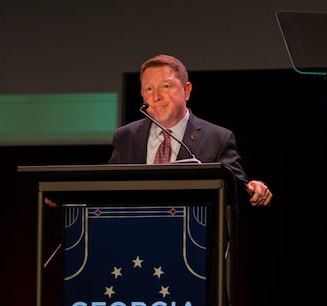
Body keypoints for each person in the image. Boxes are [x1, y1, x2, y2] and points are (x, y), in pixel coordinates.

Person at [108, 53, 272, 207]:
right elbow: (109, 190)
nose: (156, 97)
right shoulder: (125, 137)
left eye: (166, 86)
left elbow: (236, 193)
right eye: (149, 89)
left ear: (186, 91)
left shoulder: (217, 138)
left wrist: (252, 189)